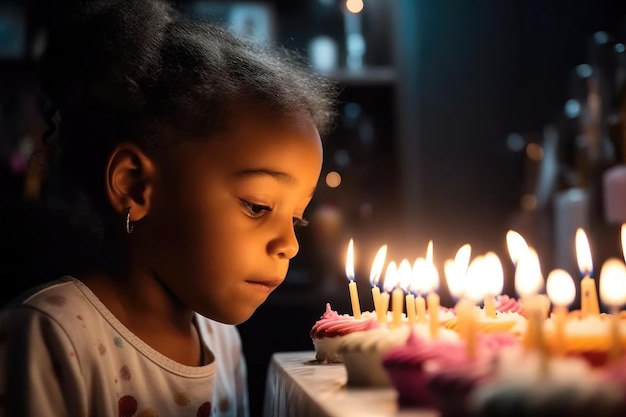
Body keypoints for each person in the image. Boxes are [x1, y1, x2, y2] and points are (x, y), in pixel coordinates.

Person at [0, 0, 337, 415]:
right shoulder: (49, 336)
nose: (290, 245)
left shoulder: (220, 338)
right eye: (257, 206)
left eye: (297, 219)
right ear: (135, 185)